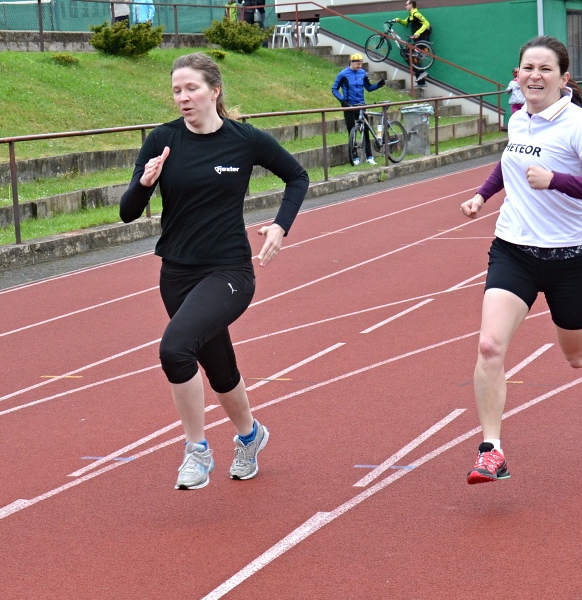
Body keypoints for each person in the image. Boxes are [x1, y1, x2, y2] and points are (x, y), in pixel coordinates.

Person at [119, 52, 309, 490]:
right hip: (176, 274)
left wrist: (280, 226)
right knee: (218, 367)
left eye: (191, 88)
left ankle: (197, 450)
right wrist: (144, 184)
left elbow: (297, 176)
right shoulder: (162, 140)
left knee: (175, 349)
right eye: (176, 91)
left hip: (229, 271)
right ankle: (251, 436)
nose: (182, 97)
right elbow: (128, 212)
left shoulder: (244, 140)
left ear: (214, 91)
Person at [459, 36, 582, 485]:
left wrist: (556, 180)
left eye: (545, 69)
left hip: (573, 257)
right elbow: (510, 162)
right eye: (528, 68)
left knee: (576, 354)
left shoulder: (581, 125)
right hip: (514, 249)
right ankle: (491, 450)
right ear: (517, 75)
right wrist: (482, 195)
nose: (535, 75)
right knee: (489, 346)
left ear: (563, 78)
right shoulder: (519, 118)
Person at [332, 53, 386, 166]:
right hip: (349, 106)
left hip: (361, 105)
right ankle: (354, 157)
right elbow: (334, 89)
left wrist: (378, 85)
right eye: (357, 64)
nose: (359, 66)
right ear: (351, 62)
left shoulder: (362, 73)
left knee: (366, 131)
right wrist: (342, 100)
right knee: (352, 132)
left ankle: (369, 156)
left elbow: (368, 87)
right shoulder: (343, 74)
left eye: (361, 64)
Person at [392, 0, 432, 87]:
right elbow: (405, 22)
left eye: (406, 4)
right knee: (412, 58)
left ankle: (422, 75)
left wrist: (418, 33)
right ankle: (421, 82)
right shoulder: (411, 16)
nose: (405, 6)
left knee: (410, 56)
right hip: (417, 41)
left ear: (411, 5)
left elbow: (426, 23)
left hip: (422, 41)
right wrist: (398, 20)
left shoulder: (416, 14)